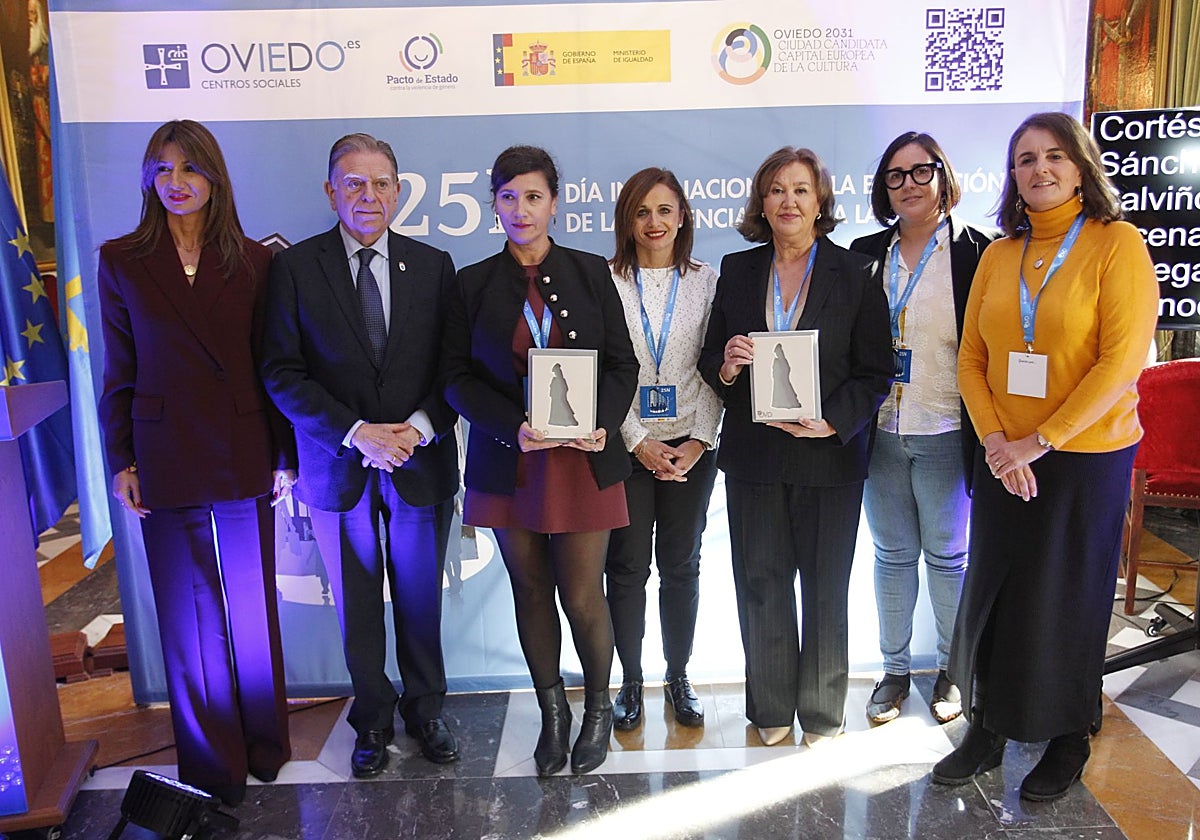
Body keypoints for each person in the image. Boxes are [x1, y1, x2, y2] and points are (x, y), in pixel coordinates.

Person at [933, 112, 1158, 801]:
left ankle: (1067, 734)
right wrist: (1000, 441)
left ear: (1082, 166)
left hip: (1084, 457)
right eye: (1025, 159)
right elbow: (971, 357)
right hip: (1005, 454)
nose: (1040, 169)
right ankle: (989, 726)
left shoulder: (1118, 245)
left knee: (1069, 595)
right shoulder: (1002, 254)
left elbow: (1120, 363)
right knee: (996, 590)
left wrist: (1043, 439)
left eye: (1054, 156)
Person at [98, 119, 292, 806]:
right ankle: (213, 763)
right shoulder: (121, 259)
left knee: (248, 600)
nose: (176, 183)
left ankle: (265, 743)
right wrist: (120, 457)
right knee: (188, 611)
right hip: (162, 449)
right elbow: (118, 367)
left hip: (243, 444)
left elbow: (273, 365)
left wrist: (285, 452)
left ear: (214, 177)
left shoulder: (253, 259)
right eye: (163, 169)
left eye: (190, 169)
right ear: (149, 179)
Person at [260, 133, 460, 777]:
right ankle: (371, 718)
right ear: (330, 191)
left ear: (398, 191)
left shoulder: (434, 267)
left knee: (420, 600)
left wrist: (417, 428)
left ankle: (427, 710)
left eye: (379, 183)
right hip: (336, 466)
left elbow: (454, 370)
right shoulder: (294, 269)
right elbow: (282, 373)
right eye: (352, 183)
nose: (367, 196)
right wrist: (357, 433)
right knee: (357, 604)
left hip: (417, 464)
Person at [442, 145, 638, 775]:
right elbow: (455, 379)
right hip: (511, 461)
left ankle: (598, 712)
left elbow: (622, 365)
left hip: (582, 463)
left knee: (583, 596)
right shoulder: (470, 283)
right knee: (531, 591)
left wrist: (600, 425)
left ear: (554, 202)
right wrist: (511, 428)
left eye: (533, 197)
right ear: (492, 203)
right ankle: (553, 715)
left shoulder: (590, 272)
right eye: (507, 197)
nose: (521, 210)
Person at [698, 147, 892, 748]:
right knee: (761, 580)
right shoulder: (736, 270)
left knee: (827, 585)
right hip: (755, 456)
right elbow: (710, 363)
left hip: (829, 456)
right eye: (777, 189)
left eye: (801, 190)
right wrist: (728, 366)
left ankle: (822, 712)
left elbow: (876, 370)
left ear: (821, 202)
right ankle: (772, 705)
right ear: (762, 201)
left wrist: (833, 422)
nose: (788, 200)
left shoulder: (855, 272)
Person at [850, 132, 998, 726]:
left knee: (948, 557)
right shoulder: (864, 255)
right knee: (890, 556)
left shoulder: (977, 254)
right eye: (895, 175)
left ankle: (951, 671)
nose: (908, 184)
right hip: (879, 430)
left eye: (920, 171)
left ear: (943, 176)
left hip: (945, 428)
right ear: (884, 189)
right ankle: (893, 672)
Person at [604, 167, 721, 731]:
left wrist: (699, 441)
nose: (655, 222)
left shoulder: (707, 279)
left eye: (665, 211)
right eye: (642, 211)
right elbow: (600, 372)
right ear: (628, 219)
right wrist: (637, 439)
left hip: (692, 447)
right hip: (627, 446)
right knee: (626, 567)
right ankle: (629, 679)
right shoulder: (604, 281)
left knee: (682, 565)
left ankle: (679, 675)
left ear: (683, 218)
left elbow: (720, 368)